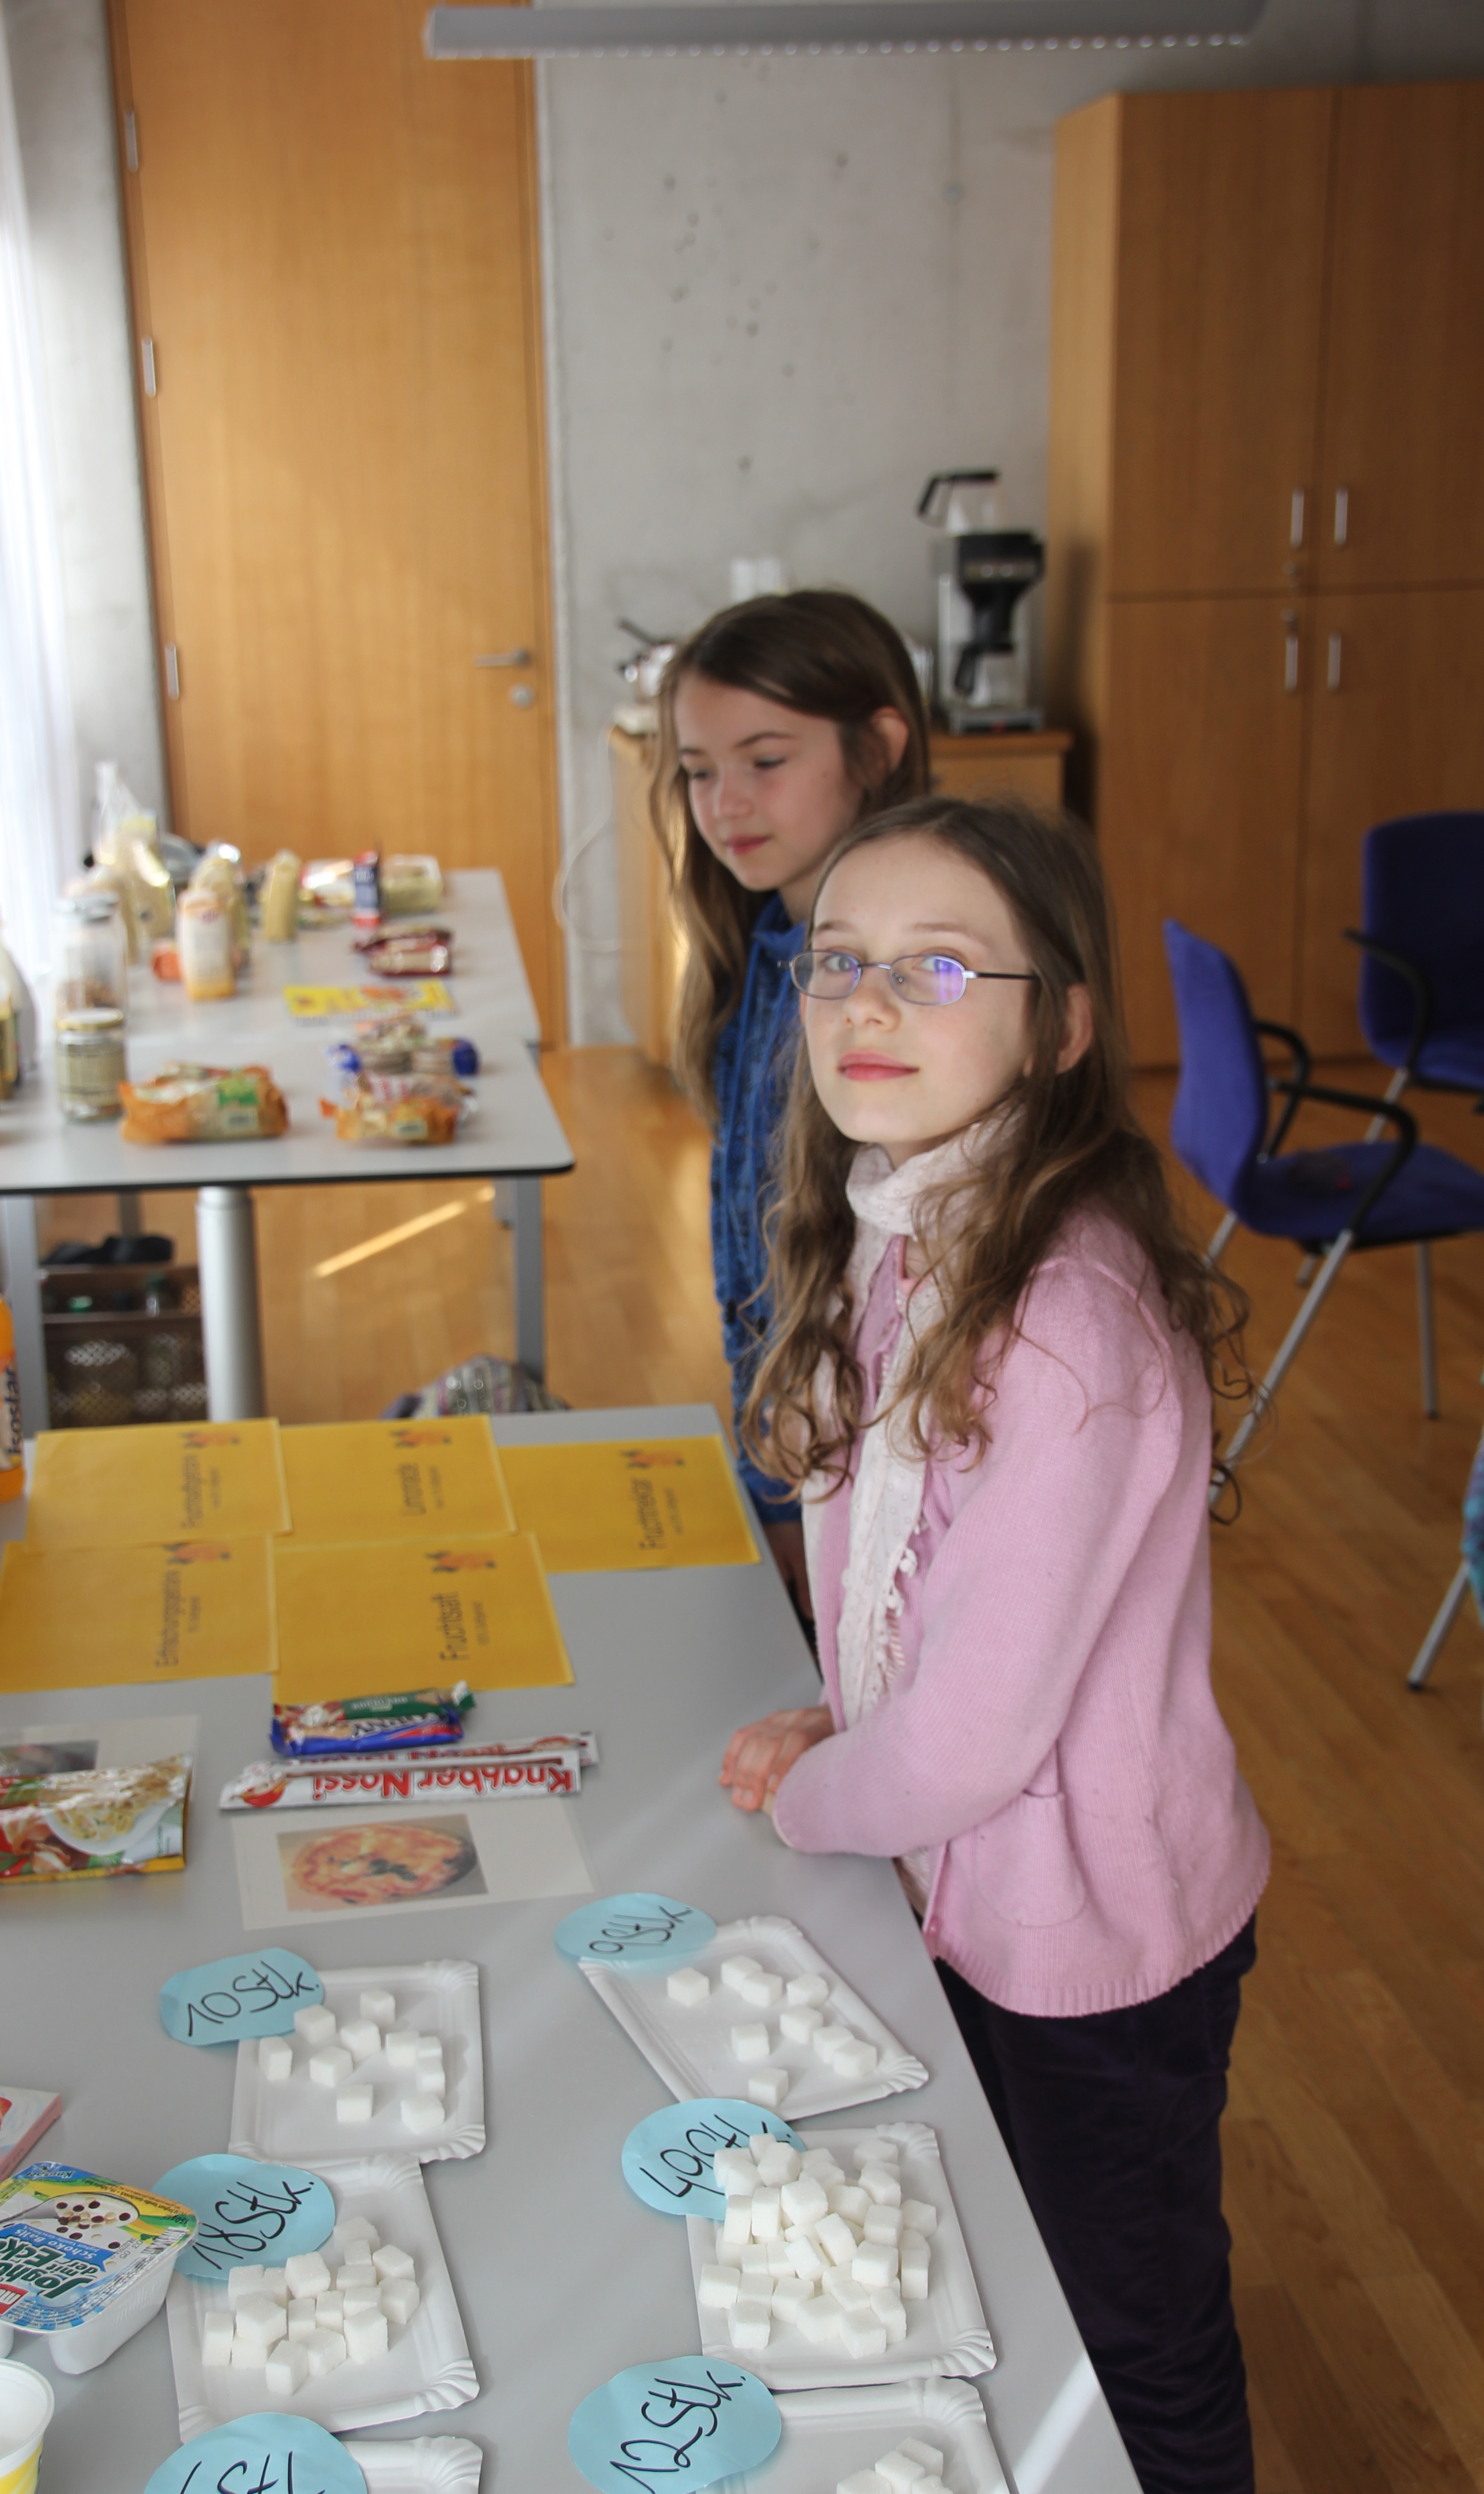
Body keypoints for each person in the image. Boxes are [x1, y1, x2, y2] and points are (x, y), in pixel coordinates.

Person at [719, 794, 1269, 2494]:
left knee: (1135, 2331)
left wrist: (813, 1792)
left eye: (937, 968)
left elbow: (968, 1740)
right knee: (1008, 2270)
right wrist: (840, 1717)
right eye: (837, 966)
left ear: (1061, 1023)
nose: (866, 1006)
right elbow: (893, 1552)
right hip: (962, 1879)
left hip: (1087, 1943)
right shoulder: (911, 1218)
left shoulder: (1062, 1316)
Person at [655, 589, 929, 1626]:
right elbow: (754, 1263)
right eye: (697, 772)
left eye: (766, 762)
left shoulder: (882, 990)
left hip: (861, 1486)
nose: (725, 803)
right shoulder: (764, 947)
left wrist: (790, 1493)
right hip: (792, 1457)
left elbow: (851, 1291)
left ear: (880, 746)